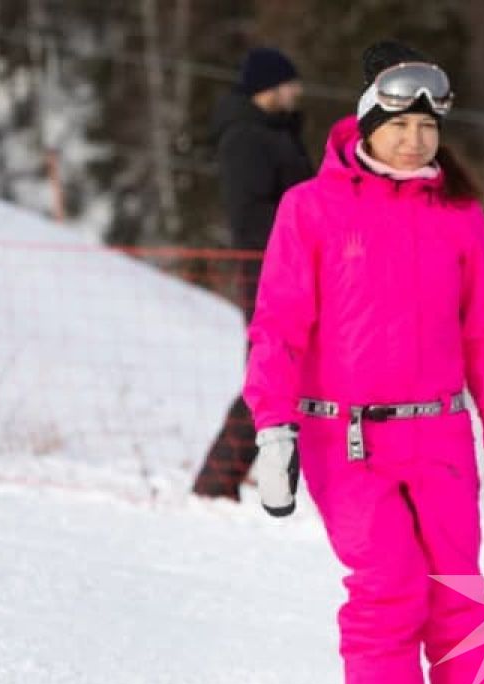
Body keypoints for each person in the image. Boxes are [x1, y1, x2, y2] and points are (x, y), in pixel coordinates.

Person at [244, 40, 484, 684]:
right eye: (399, 124)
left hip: (439, 435)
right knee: (388, 592)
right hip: (349, 439)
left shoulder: (459, 213)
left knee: (462, 599)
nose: (414, 140)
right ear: (367, 122)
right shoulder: (311, 207)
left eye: (427, 128)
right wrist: (273, 430)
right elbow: (279, 325)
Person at [192, 47, 314, 500]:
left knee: (294, 375)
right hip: (270, 271)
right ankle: (214, 483)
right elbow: (249, 216)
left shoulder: (277, 133)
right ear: (268, 88)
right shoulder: (246, 138)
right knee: (268, 376)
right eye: (289, 83)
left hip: (296, 267)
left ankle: (226, 480)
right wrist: (306, 227)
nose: (296, 92)